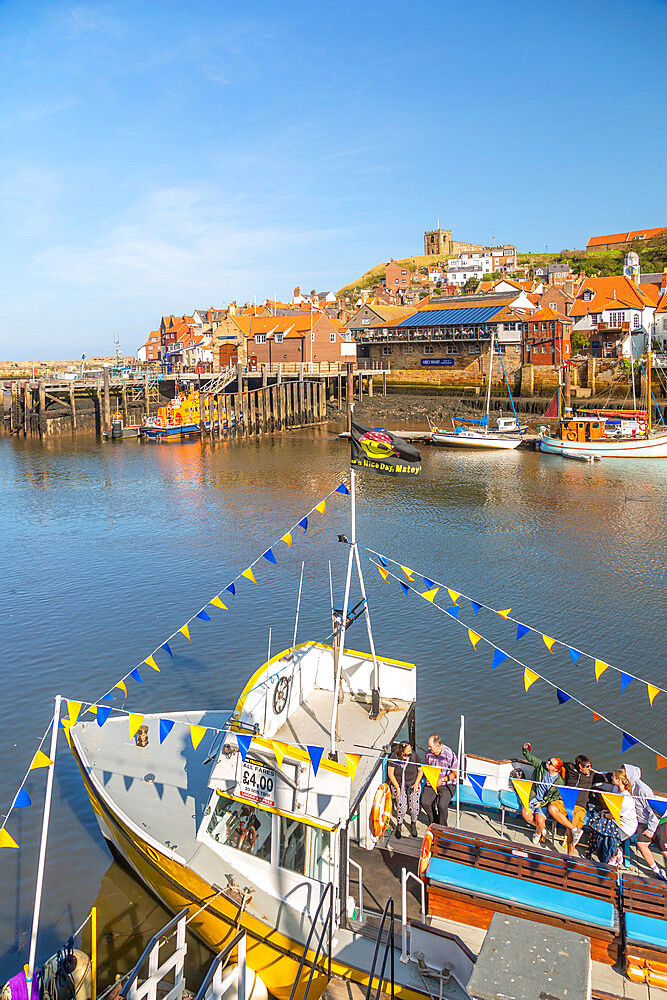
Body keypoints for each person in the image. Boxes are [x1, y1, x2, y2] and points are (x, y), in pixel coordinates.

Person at [585, 768, 638, 866]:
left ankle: (613, 854)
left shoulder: (624, 799)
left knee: (601, 829)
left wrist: (603, 814)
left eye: (613, 776)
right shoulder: (618, 791)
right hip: (617, 820)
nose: (611, 778)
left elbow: (612, 816)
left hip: (625, 827)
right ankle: (607, 850)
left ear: (619, 780)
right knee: (598, 821)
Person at [624, 764, 667, 882]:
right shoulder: (628, 786)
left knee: (664, 850)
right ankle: (657, 871)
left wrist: (651, 830)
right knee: (642, 845)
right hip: (642, 821)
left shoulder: (643, 790)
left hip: (656, 821)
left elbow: (653, 811)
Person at [558, 754, 607, 856]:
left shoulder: (592, 776)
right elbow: (557, 764)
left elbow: (607, 777)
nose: (590, 768)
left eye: (590, 765)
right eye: (588, 766)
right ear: (580, 766)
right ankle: (575, 829)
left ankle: (569, 856)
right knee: (551, 808)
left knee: (570, 831)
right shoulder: (570, 767)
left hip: (580, 805)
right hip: (566, 800)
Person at [520, 743, 564, 846]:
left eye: (551, 763)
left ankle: (538, 833)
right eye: (549, 760)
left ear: (555, 769)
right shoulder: (541, 767)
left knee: (540, 819)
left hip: (544, 803)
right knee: (526, 814)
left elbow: (555, 797)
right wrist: (525, 749)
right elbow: (530, 758)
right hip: (534, 797)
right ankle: (543, 829)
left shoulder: (559, 782)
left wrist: (542, 803)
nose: (547, 762)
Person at [387, 741, 423, 839]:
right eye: (408, 751)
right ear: (402, 752)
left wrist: (416, 784)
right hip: (399, 784)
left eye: (410, 750)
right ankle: (399, 825)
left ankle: (413, 823)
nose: (410, 753)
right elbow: (391, 774)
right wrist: (398, 789)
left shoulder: (414, 756)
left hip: (412, 783)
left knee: (414, 807)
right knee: (401, 807)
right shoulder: (394, 757)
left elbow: (420, 771)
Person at [422, 733, 458, 827]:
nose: (429, 748)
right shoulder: (428, 753)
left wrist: (442, 780)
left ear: (438, 746)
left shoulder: (450, 755)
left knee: (442, 805)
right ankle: (434, 821)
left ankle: (442, 826)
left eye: (431, 747)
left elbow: (456, 774)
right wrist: (428, 778)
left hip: (447, 784)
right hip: (433, 781)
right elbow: (427, 767)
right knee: (425, 802)